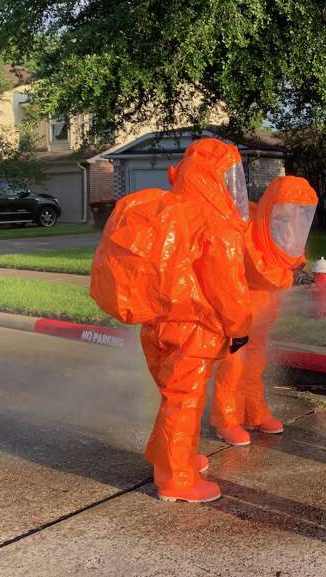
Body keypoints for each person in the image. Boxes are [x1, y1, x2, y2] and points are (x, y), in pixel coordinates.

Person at [90, 138, 252, 503]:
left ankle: (166, 455)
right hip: (193, 330)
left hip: (156, 326)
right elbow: (230, 293)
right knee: (185, 400)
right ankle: (177, 479)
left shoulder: (167, 210)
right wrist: (240, 330)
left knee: (172, 397)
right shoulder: (217, 225)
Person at [211, 175, 319, 444]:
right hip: (237, 309)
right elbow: (256, 266)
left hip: (263, 311)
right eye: (286, 211)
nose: (292, 219)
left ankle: (254, 412)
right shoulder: (247, 225)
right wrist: (290, 277)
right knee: (233, 364)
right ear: (272, 205)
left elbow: (292, 256)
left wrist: (306, 272)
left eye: (299, 212)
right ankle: (226, 420)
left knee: (256, 363)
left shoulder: (290, 224)